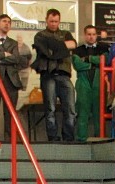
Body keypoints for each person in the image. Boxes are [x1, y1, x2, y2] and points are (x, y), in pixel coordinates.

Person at [32, 9, 76, 143]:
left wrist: (54, 47)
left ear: (59, 21)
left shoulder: (66, 33)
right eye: (51, 21)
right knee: (50, 108)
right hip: (48, 75)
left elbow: (73, 44)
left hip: (64, 74)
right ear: (46, 20)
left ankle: (68, 137)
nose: (53, 23)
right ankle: (53, 138)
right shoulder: (40, 35)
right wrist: (62, 47)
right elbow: (45, 51)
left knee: (70, 109)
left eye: (56, 21)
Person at [0, 14, 30, 141]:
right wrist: (5, 54)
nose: (7, 24)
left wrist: (1, 58)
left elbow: (16, 58)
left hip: (11, 81)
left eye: (9, 22)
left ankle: (10, 139)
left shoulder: (14, 43)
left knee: (10, 112)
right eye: (4, 21)